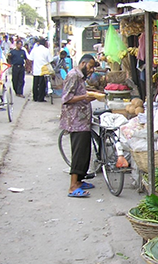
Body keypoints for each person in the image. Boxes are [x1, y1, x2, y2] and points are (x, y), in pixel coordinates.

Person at [59, 54, 98, 197]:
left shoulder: (81, 77)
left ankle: (80, 180)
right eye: (90, 66)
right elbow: (67, 98)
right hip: (76, 121)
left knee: (84, 152)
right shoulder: (73, 75)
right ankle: (73, 186)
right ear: (83, 63)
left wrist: (91, 96)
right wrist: (85, 96)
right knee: (78, 152)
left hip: (83, 120)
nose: (92, 70)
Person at [28, 38, 53, 102]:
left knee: (35, 84)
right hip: (43, 70)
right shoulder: (46, 50)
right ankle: (40, 98)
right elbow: (50, 60)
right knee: (42, 84)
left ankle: (35, 97)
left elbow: (30, 58)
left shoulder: (35, 49)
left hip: (36, 69)